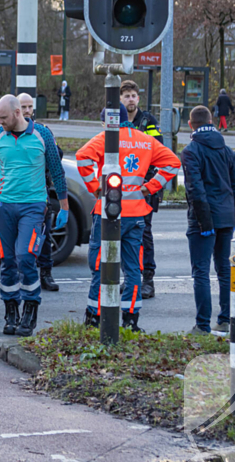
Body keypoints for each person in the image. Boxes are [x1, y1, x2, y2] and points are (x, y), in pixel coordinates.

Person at [76, 103, 180, 332]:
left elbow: (82, 158)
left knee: (99, 266)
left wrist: (95, 188)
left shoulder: (106, 138)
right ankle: (130, 321)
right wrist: (150, 188)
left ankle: (94, 318)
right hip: (136, 214)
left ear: (107, 121)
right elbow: (173, 164)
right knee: (133, 270)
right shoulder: (145, 140)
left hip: (107, 214)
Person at [0, 94, 69, 337]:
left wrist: (64, 206)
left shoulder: (42, 135)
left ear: (18, 113)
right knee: (8, 260)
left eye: (3, 118)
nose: (0, 123)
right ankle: (11, 311)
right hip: (4, 207)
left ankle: (30, 308)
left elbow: (58, 173)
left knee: (25, 256)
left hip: (33, 206)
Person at [181, 105, 235, 334]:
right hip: (226, 217)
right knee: (224, 271)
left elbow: (195, 190)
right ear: (212, 121)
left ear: (190, 125)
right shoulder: (227, 151)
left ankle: (202, 325)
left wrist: (204, 223)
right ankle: (226, 320)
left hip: (202, 221)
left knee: (201, 272)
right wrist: (231, 217)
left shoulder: (191, 151)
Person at [120, 79, 163, 299]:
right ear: (120, 99)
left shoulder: (147, 121)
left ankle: (148, 280)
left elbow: (159, 151)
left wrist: (149, 185)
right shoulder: (116, 121)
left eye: (133, 95)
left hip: (144, 188)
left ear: (138, 98)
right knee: (124, 234)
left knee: (144, 233)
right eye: (126, 96)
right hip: (122, 190)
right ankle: (130, 277)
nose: (130, 99)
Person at [17, 92, 61, 293]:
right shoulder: (7, 131)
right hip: (14, 195)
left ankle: (46, 273)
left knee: (43, 236)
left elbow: (56, 155)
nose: (27, 111)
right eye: (22, 107)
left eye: (29, 107)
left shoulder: (42, 131)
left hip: (39, 193)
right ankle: (22, 274)